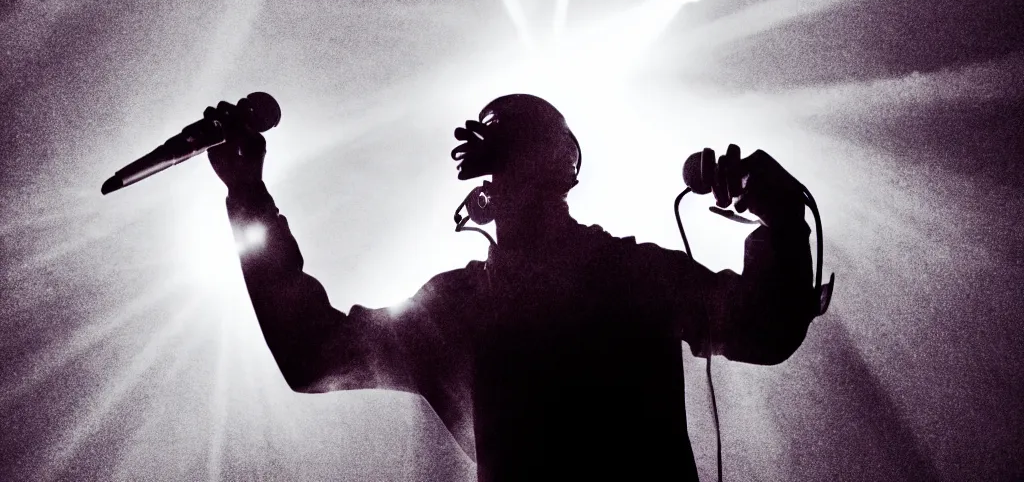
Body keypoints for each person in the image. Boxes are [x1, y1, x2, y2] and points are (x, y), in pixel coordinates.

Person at [208, 93, 818, 481]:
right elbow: (311, 356)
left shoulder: (474, 305)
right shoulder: (616, 278)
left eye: (505, 147)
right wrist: (248, 196)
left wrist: (249, 199)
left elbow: (766, 327)